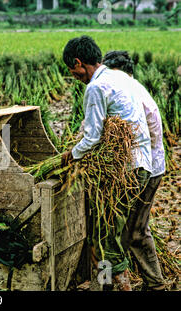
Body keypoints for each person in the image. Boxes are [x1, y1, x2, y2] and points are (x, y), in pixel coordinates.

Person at [61, 36, 153, 291]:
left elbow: (92, 136)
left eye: (73, 72)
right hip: (143, 166)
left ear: (79, 62)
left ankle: (122, 286)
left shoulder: (96, 87)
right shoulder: (119, 77)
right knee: (109, 230)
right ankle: (103, 284)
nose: (75, 77)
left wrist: (72, 153)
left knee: (104, 234)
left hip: (124, 170)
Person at [102, 50, 166, 290]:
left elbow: (133, 136)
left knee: (131, 233)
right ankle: (151, 283)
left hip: (145, 168)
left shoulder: (127, 92)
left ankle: (153, 284)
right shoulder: (133, 88)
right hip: (150, 165)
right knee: (135, 230)